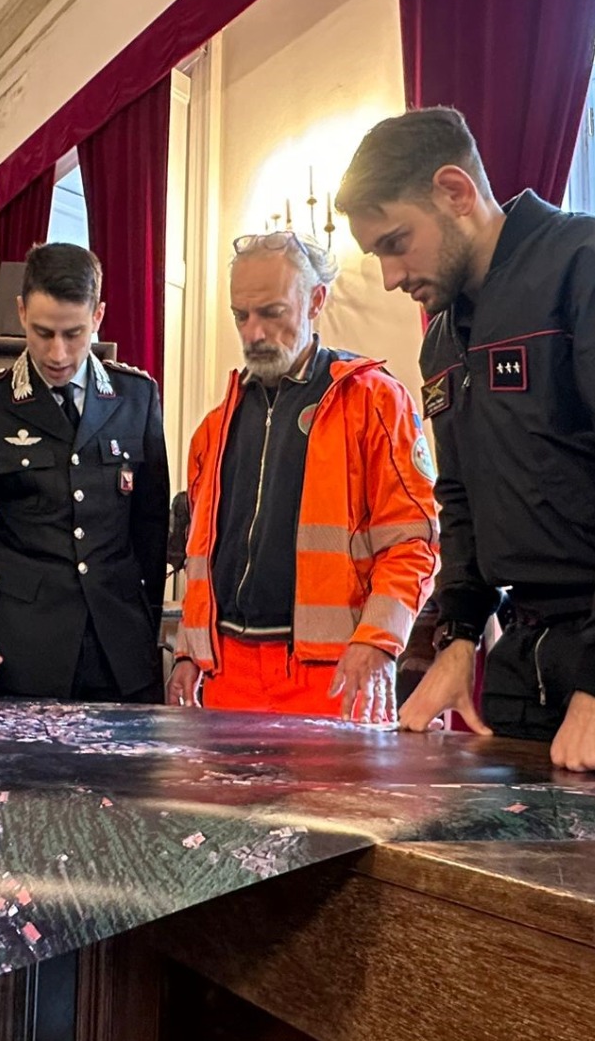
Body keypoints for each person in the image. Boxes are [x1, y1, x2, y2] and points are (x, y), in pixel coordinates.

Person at [338, 106, 595, 770]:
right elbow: (462, 498)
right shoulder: (443, 337)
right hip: (524, 659)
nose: (390, 275)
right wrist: (459, 635)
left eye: (396, 241)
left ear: (455, 192)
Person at [167, 232, 438, 721]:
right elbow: (200, 556)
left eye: (272, 312)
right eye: (241, 316)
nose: (253, 332)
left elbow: (413, 540)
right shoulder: (215, 427)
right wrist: (189, 650)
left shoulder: (374, 401)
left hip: (338, 672)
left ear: (315, 300)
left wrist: (379, 639)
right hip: (227, 674)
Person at [0, 242, 169, 701]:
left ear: (98, 316)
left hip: (118, 653)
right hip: (18, 650)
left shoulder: (137, 398)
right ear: (21, 312)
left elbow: (151, 530)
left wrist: (147, 626)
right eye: (42, 333)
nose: (58, 353)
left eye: (74, 334)